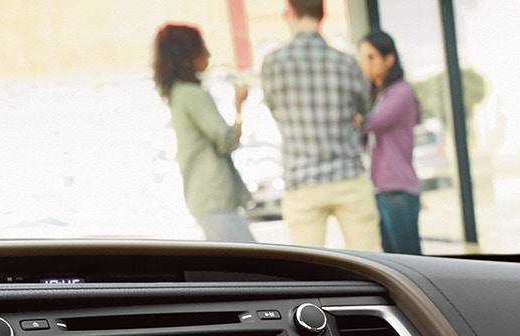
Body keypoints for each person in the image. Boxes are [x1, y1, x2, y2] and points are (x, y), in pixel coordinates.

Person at [260, 0, 381, 250]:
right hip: (348, 177)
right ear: (322, 13)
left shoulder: (273, 63)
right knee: (373, 263)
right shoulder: (347, 63)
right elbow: (364, 113)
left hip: (302, 181)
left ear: (291, 12)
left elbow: (275, 110)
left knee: (306, 269)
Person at [152, 24, 254, 243]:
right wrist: (239, 107)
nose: (208, 53)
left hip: (204, 196)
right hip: (214, 196)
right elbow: (226, 141)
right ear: (187, 54)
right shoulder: (192, 94)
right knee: (253, 262)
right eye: (201, 47)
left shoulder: (178, 92)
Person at [356, 30, 423, 255]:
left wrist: (357, 111)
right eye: (362, 57)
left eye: (371, 57)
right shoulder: (377, 95)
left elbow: (373, 122)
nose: (365, 63)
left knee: (409, 263)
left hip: (398, 190)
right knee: (390, 261)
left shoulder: (401, 92)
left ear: (389, 59)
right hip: (379, 188)